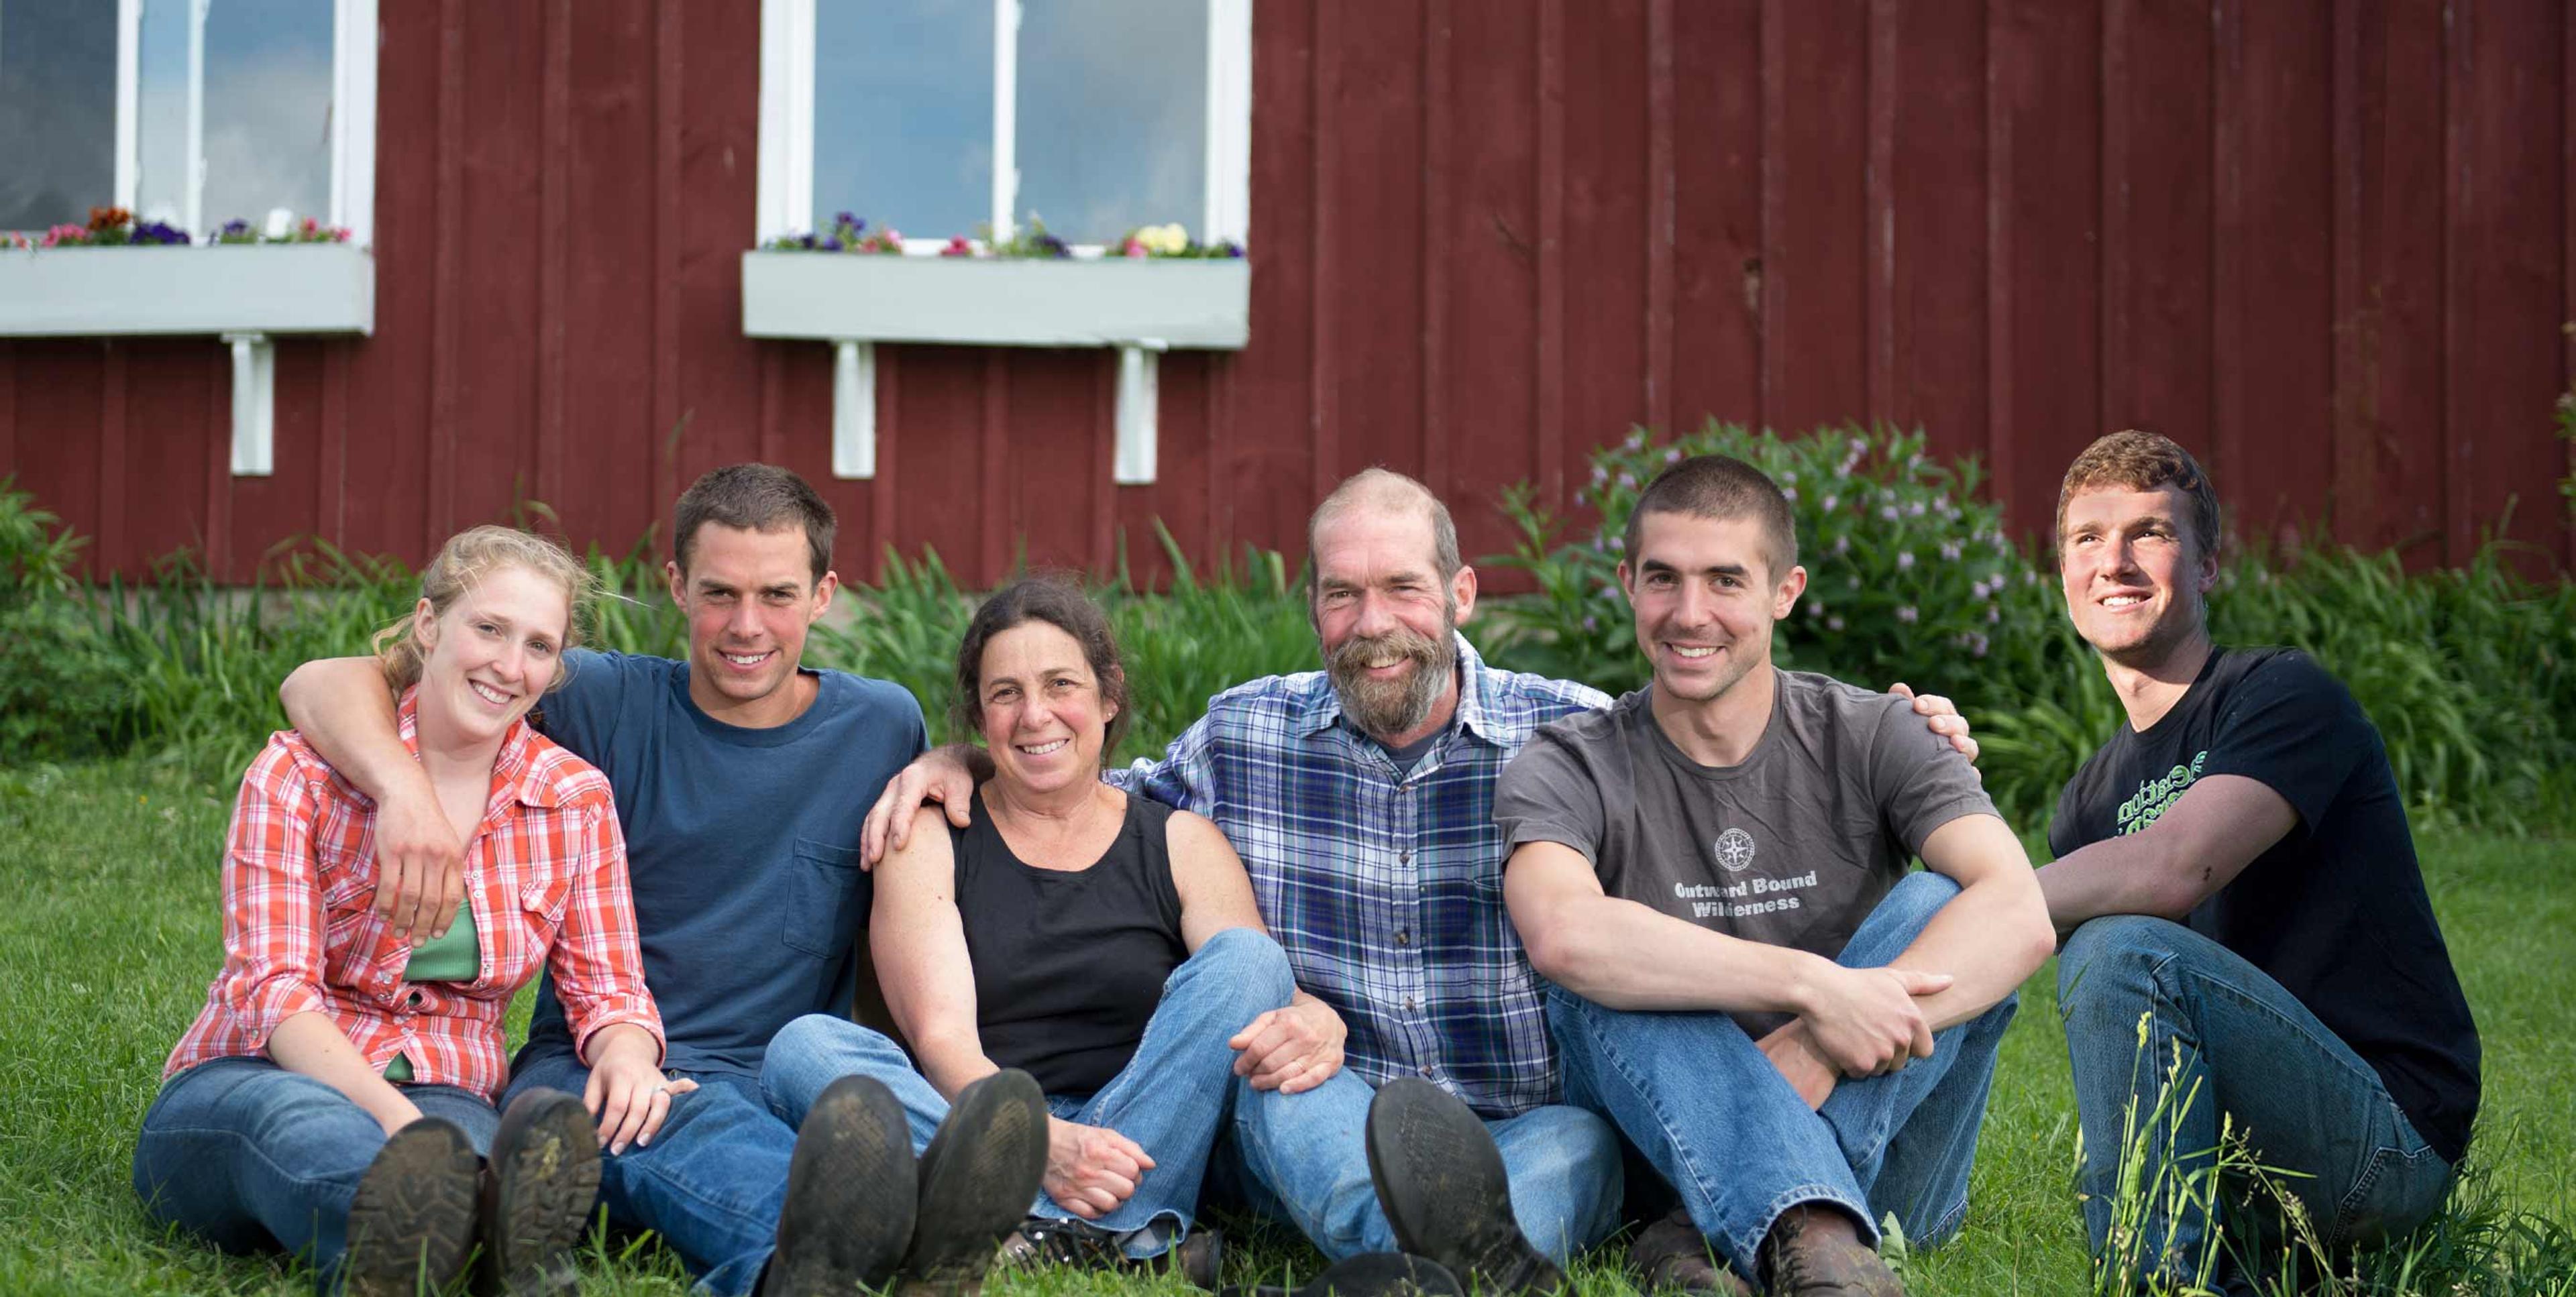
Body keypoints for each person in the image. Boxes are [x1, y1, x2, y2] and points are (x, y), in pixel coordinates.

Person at [865, 468, 1984, 1295]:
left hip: (1528, 1110)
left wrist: (1903, 744)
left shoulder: (1575, 733)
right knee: (1272, 1085)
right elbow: (1082, 781)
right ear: (1313, 607)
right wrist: (960, 755)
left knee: (1580, 1151)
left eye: (1402, 587)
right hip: (1331, 1086)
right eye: (1342, 595)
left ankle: (1400, 1267)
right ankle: (1448, 1260)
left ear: (1462, 592)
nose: (1372, 624)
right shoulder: (1245, 734)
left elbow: (1735, 782)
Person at [278, 466, 1044, 1296]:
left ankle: (832, 1248)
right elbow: (321, 680)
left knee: (815, 1135)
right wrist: (401, 788)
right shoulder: (605, 698)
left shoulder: (881, 723)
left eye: (777, 595)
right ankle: (892, 1238)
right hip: (598, 1062)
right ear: (677, 585)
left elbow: (1014, 775)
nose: (746, 626)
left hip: (792, 1076)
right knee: (687, 1127)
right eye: (719, 592)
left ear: (824, 594)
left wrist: (954, 759)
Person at [1491, 454, 2054, 1297]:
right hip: (1673, 1150)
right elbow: (1563, 932)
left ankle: (1711, 1230)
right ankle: (1815, 1241)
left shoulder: (1874, 733)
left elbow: (2022, 912)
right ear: (1626, 584)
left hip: (1892, 1181)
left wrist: (1815, 1039)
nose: (1691, 613)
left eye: (1726, 580)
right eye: (1663, 579)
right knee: (1605, 970)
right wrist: (1818, 988)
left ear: (1784, 591)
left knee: (1948, 899)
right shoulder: (1570, 761)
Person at [135, 525, 669, 1296]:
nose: (509, 666)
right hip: (254, 1075)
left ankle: (466, 1233)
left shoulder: (572, 798)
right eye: (489, 629)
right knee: (316, 1131)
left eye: (539, 646)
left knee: (464, 1153)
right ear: (429, 624)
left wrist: (627, 1050)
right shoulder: (298, 771)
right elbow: (274, 993)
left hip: (446, 1084)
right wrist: (395, 1118)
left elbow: (609, 988)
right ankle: (428, 1231)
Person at [762, 576, 1314, 1281]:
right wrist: (1042, 1143)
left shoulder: (1180, 841)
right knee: (802, 1048)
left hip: (1154, 1120)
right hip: (983, 1116)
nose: (1034, 715)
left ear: (1108, 696)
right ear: (977, 715)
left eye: (1061, 684)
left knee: (1247, 958)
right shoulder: (932, 834)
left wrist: (1089, 1143)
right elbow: (942, 1039)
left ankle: (1023, 1227)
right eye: (1005, 693)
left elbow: (1251, 997)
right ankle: (1119, 1233)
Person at [2037, 431, 2479, 1292]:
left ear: (2207, 568)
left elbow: (2176, 868)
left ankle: (2154, 1282)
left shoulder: (2283, 694)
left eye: (2150, 534)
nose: (2115, 561)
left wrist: (1983, 900)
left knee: (2118, 948)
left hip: (2382, 1140)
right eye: (2088, 539)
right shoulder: (2086, 803)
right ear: (2063, 575)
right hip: (2245, 1170)